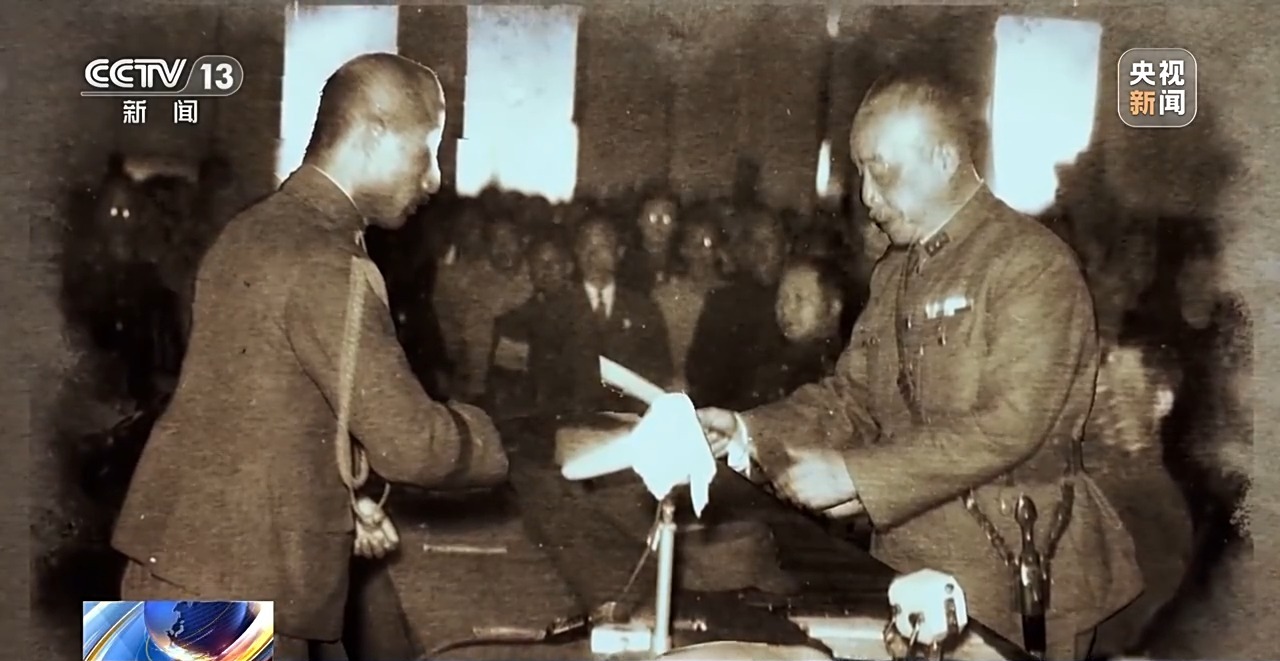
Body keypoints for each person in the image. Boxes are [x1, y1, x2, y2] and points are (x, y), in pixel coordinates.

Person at [697, 72, 1142, 660]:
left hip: (1005, 574)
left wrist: (858, 477)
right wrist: (749, 430)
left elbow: (1012, 423)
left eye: (880, 171)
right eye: (860, 173)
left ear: (944, 159)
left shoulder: (1030, 264)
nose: (866, 196)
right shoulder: (896, 273)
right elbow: (852, 397)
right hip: (907, 564)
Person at [111, 53, 510, 661]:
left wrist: (335, 496)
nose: (433, 179)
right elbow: (412, 445)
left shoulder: (255, 228)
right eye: (426, 150)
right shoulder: (328, 261)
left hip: (182, 562)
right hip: (232, 590)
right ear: (374, 134)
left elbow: (258, 406)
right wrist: (495, 440)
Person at [528, 216, 673, 414]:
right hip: (573, 420)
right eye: (585, 245)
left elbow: (659, 370)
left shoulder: (643, 308)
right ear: (576, 252)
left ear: (619, 252)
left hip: (631, 418)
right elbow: (543, 381)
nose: (592, 254)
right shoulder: (554, 310)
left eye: (602, 245)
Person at [686, 209, 789, 409]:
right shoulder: (723, 302)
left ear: (785, 246)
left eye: (768, 242)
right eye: (753, 243)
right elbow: (699, 371)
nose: (759, 251)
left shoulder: (796, 297)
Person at [485, 229, 573, 418]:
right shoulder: (516, 322)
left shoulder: (588, 309)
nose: (546, 270)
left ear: (569, 267)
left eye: (554, 263)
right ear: (530, 271)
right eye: (538, 264)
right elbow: (507, 380)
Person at [742, 259, 846, 408]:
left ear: (833, 307)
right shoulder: (771, 356)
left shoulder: (835, 370)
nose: (786, 309)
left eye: (799, 299)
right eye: (782, 299)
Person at [652, 213, 724, 390]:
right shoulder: (666, 297)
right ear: (682, 249)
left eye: (707, 244)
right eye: (692, 243)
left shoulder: (732, 296)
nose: (699, 252)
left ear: (718, 251)